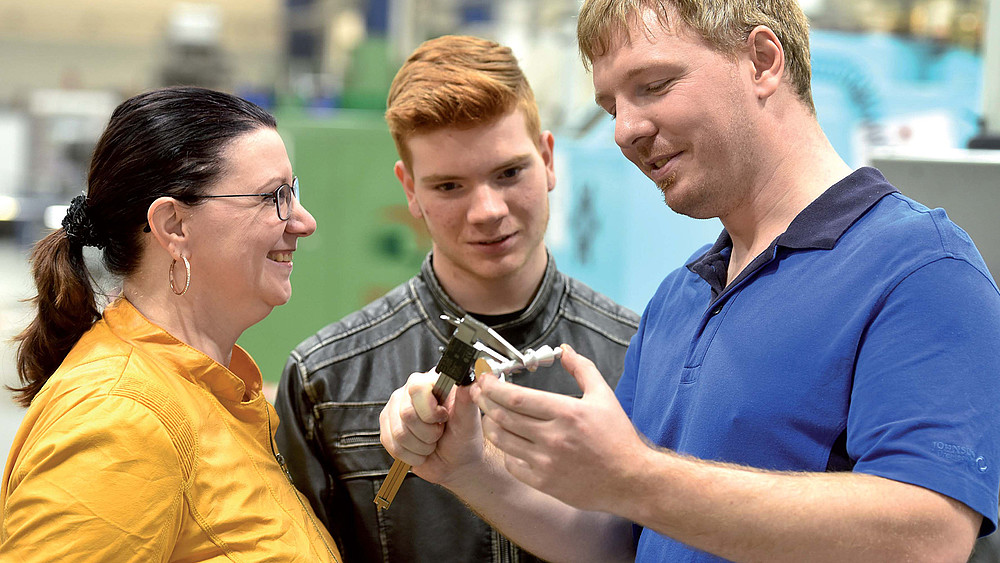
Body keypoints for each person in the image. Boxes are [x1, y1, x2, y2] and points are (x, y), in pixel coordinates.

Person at [379, 1, 1000, 562]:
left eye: (653, 86)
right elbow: (620, 538)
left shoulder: (919, 270)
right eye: (611, 107)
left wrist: (636, 476)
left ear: (761, 61)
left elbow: (929, 536)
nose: (624, 130)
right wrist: (469, 469)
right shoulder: (680, 299)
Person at [273, 35, 639, 563]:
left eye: (509, 173)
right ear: (410, 192)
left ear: (548, 158)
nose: (487, 210)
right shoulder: (326, 382)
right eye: (449, 186)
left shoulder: (639, 356)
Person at [1, 87, 342, 562]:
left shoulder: (203, 390)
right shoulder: (120, 423)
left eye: (293, 192)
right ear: (173, 225)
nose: (303, 221)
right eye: (273, 198)